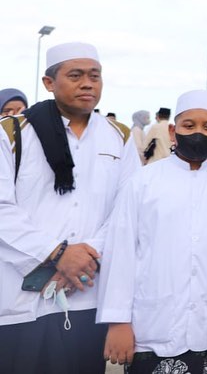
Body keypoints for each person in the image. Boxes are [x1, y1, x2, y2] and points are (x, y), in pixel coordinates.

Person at [0, 42, 140, 374]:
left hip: (87, 295)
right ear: (49, 83)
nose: (87, 84)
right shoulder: (12, 134)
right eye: (75, 76)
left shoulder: (118, 137)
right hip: (22, 299)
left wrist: (85, 257)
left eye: (95, 76)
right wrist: (57, 253)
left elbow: (127, 210)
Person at [99, 90, 207, 373]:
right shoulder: (143, 182)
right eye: (189, 125)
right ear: (173, 131)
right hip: (152, 326)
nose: (198, 133)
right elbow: (121, 251)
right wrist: (118, 321)